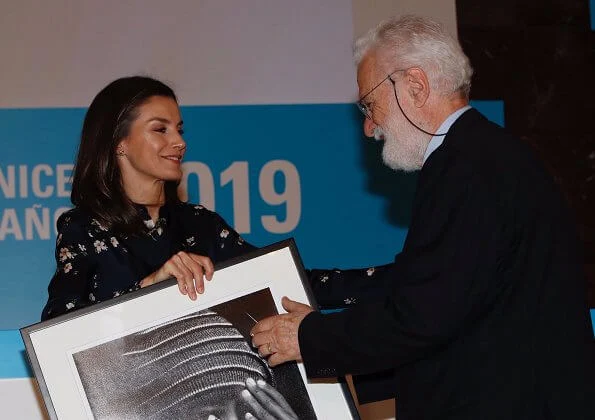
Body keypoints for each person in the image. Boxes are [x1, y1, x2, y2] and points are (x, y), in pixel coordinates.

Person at [251, 15, 595, 419]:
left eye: (368, 104)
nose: (368, 127)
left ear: (414, 85)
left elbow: (424, 313)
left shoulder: (470, 168)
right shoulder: (483, 157)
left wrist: (309, 338)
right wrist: (314, 301)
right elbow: (428, 287)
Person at [41, 76, 255, 320]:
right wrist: (148, 289)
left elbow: (269, 275)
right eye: (160, 129)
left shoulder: (202, 223)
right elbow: (57, 324)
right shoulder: (83, 229)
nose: (180, 142)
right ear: (119, 142)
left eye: (179, 130)